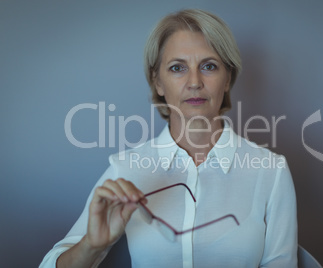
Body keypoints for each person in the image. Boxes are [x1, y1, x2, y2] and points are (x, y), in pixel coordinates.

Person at [40, 9, 297, 268]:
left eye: (209, 66)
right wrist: (92, 246)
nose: (194, 82)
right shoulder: (127, 169)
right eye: (177, 68)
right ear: (158, 82)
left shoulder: (271, 172)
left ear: (227, 78)